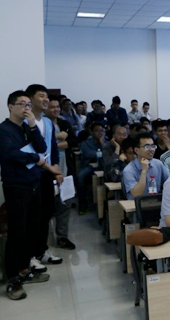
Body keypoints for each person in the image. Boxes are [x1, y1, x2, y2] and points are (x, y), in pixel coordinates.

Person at [0, 90, 51, 300]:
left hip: (34, 184)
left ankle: (24, 270)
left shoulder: (27, 127)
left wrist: (32, 126)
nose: (27, 108)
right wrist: (36, 159)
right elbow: (10, 153)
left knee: (32, 229)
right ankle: (12, 280)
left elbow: (42, 147)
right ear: (10, 106)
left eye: (29, 104)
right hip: (16, 186)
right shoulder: (4, 130)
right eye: (22, 104)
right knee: (17, 233)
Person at [25, 85, 65, 271]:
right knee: (33, 216)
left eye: (47, 96)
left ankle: (41, 251)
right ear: (31, 99)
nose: (46, 99)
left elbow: (53, 148)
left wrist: (56, 170)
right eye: (41, 96)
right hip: (31, 174)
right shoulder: (24, 122)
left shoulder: (48, 122)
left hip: (47, 174)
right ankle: (30, 256)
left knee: (46, 213)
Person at [45, 96, 77, 250]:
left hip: (66, 169)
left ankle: (62, 237)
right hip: (47, 171)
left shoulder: (64, 123)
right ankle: (43, 242)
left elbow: (73, 141)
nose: (56, 109)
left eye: (57, 107)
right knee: (47, 207)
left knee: (65, 204)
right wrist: (57, 138)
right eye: (52, 107)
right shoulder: (42, 124)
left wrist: (57, 144)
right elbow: (42, 145)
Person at [122, 132, 170, 200]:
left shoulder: (158, 164)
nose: (151, 149)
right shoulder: (128, 170)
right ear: (136, 150)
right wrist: (144, 171)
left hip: (155, 203)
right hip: (136, 205)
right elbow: (137, 195)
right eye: (147, 146)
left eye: (153, 146)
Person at [77, 122, 106, 214]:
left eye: (101, 130)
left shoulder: (107, 141)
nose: (100, 133)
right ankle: (83, 205)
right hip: (90, 166)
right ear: (92, 132)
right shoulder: (85, 143)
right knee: (81, 177)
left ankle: (103, 207)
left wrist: (102, 143)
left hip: (104, 166)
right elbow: (88, 154)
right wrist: (102, 154)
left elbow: (110, 154)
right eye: (97, 131)